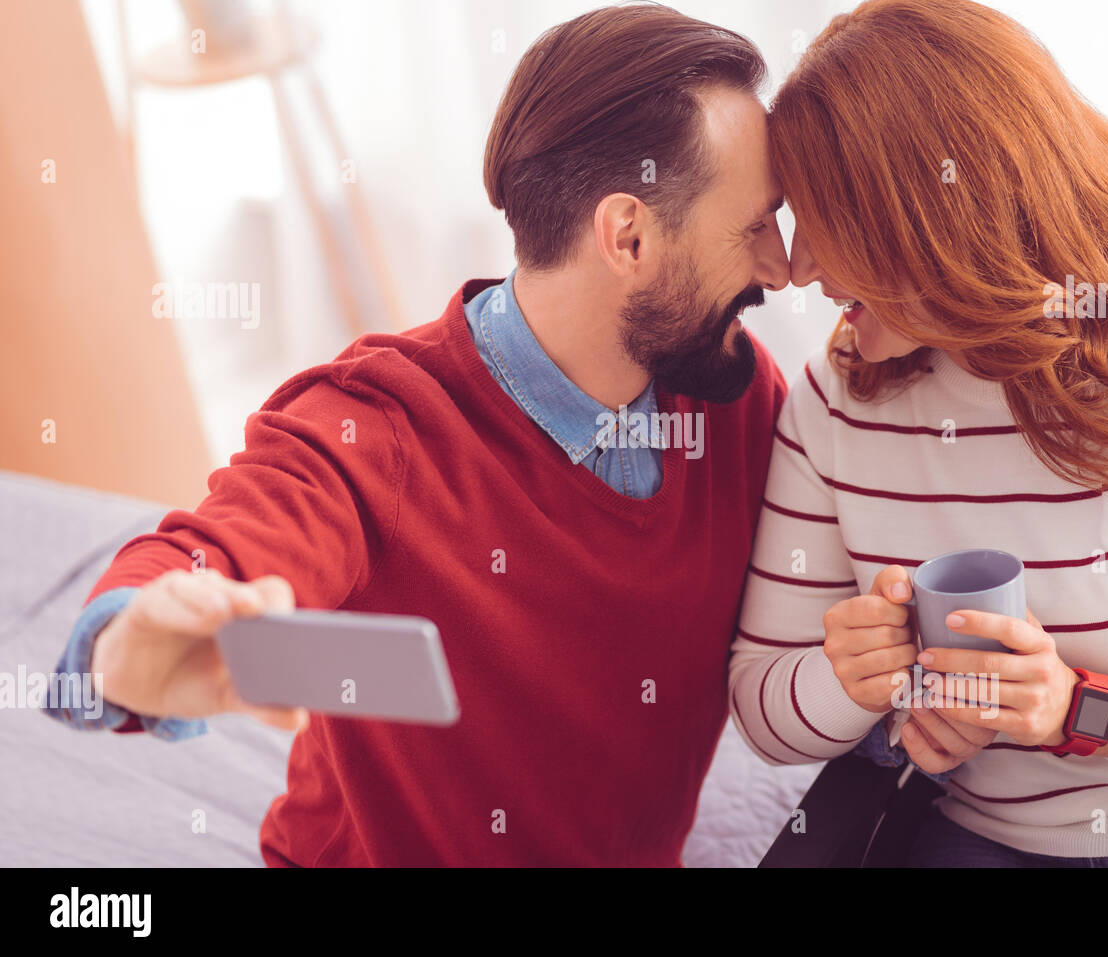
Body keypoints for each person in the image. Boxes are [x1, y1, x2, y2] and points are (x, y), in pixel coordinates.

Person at [43, 3, 792, 866]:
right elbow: (219, 545)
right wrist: (129, 638)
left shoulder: (733, 398)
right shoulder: (375, 429)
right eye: (752, 228)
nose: (779, 265)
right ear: (627, 236)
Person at [730, 0, 1108, 866]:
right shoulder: (830, 403)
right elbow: (762, 702)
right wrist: (853, 682)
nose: (797, 266)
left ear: (930, 216)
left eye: (826, 217)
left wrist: (1079, 708)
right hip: (976, 836)